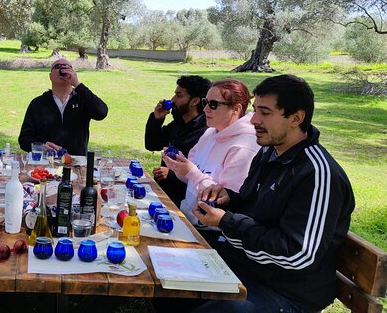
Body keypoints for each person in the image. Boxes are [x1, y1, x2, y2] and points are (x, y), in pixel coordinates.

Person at [192, 75, 355, 313]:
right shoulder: (269, 152)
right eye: (255, 110)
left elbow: (298, 255)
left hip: (287, 294)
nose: (254, 120)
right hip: (250, 268)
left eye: (265, 113)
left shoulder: (317, 174)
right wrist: (228, 198)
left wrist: (227, 221)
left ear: (296, 118)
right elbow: (255, 207)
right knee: (174, 282)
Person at [162, 79, 260, 242]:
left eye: (213, 104)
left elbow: (221, 202)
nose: (205, 108)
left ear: (236, 109)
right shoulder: (210, 133)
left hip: (213, 235)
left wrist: (190, 171)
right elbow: (191, 179)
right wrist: (178, 168)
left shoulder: (244, 146)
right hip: (188, 223)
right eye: (205, 102)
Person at [18, 58, 108, 155]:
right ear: (50, 76)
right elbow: (24, 139)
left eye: (68, 67)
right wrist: (41, 147)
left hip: (76, 162)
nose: (63, 69)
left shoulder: (83, 99)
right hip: (45, 162)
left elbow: (101, 113)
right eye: (58, 67)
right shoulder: (38, 103)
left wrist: (78, 85)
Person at [145, 75, 212, 206]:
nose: (173, 100)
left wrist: (171, 175)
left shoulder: (205, 132)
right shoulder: (178, 123)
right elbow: (152, 144)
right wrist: (157, 119)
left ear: (194, 101)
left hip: (184, 203)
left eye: (179, 95)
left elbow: (205, 175)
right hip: (163, 194)